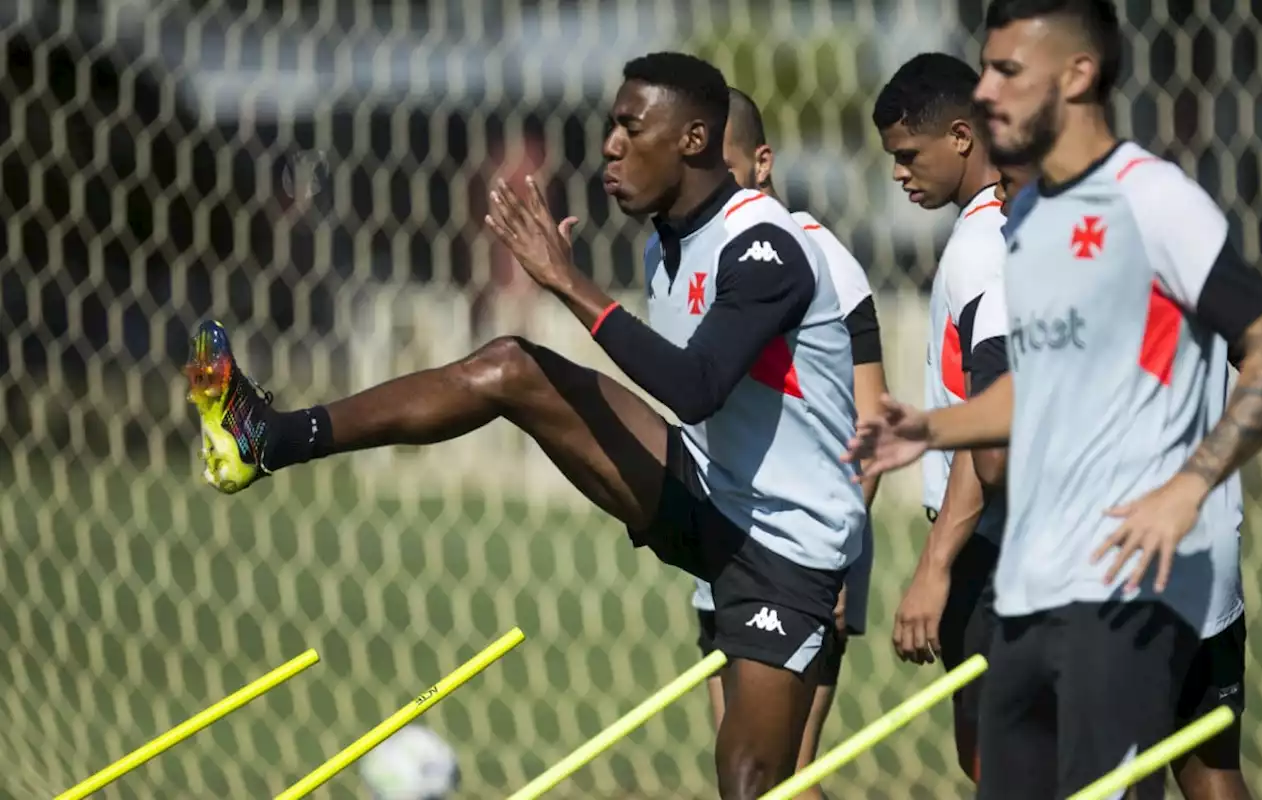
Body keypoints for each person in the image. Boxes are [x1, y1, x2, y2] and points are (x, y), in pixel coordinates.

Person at [186, 52, 864, 800]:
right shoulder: (664, 244)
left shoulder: (766, 247)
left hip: (788, 550)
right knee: (513, 367)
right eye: (611, 125)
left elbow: (696, 387)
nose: (609, 144)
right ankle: (269, 438)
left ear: (694, 139)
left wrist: (568, 282)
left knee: (756, 784)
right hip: (707, 494)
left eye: (630, 128)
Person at [846, 1, 1262, 797]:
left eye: (1008, 70)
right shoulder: (1035, 222)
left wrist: (1190, 486)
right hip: (1041, 579)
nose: (986, 89)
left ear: (1077, 77)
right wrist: (932, 429)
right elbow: (1043, 389)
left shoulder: (1154, 202)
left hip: (1136, 585)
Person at [988, 161, 1253, 800]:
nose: (998, 204)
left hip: (1124, 567)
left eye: (1008, 183)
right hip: (1209, 556)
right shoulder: (1184, 260)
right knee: (1212, 770)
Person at [688, 86, 888, 800]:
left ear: (762, 161)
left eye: (721, 165)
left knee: (788, 777)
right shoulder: (703, 257)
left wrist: (834, 555)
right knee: (739, 777)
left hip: (806, 546)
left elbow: (872, 428)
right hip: (726, 540)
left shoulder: (824, 260)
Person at [871, 52, 1010, 784]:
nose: (899, 174)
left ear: (962, 135)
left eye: (907, 155)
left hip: (991, 548)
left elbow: (992, 424)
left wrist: (935, 569)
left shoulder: (981, 250)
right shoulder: (993, 234)